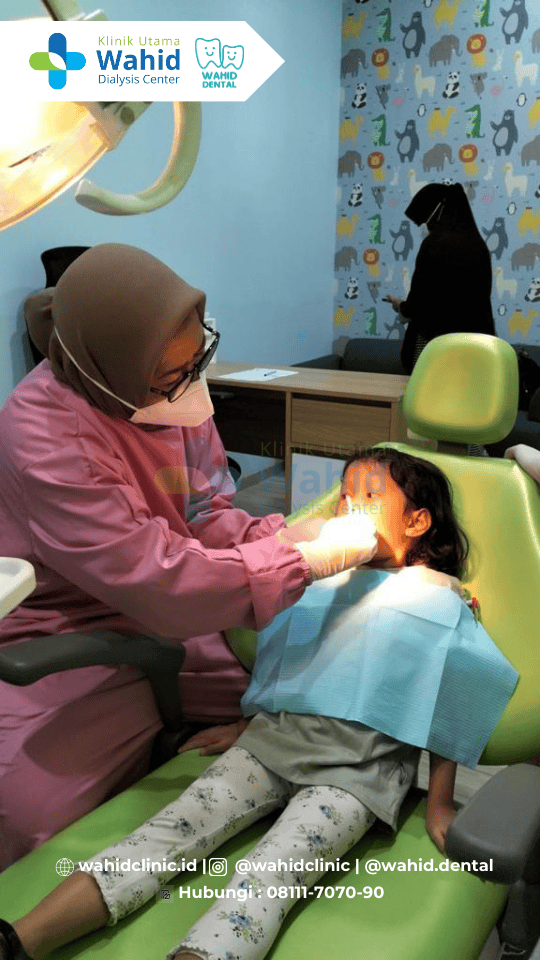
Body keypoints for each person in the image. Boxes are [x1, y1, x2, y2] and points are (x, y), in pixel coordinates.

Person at [0, 448, 518, 960]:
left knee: (266, 879)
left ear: (417, 521)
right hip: (270, 744)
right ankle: (21, 939)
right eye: (344, 496)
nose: (350, 507)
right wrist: (246, 725)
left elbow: (450, 696)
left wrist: (439, 802)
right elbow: (284, 660)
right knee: (159, 837)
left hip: (354, 775)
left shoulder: (434, 598)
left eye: (370, 496)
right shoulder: (323, 577)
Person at [0, 244, 368, 870]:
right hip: (70, 628)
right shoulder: (43, 437)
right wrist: (302, 563)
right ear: (108, 372)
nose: (189, 387)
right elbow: (154, 579)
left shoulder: (172, 394)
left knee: (313, 705)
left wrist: (280, 536)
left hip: (178, 607)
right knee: (34, 812)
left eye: (198, 359)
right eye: (170, 375)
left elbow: (203, 510)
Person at [384, 182, 496, 374]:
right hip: (475, 350)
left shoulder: (434, 245)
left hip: (435, 347)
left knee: (426, 393)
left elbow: (419, 305)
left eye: (426, 221)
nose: (426, 226)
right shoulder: (479, 247)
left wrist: (400, 306)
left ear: (439, 210)